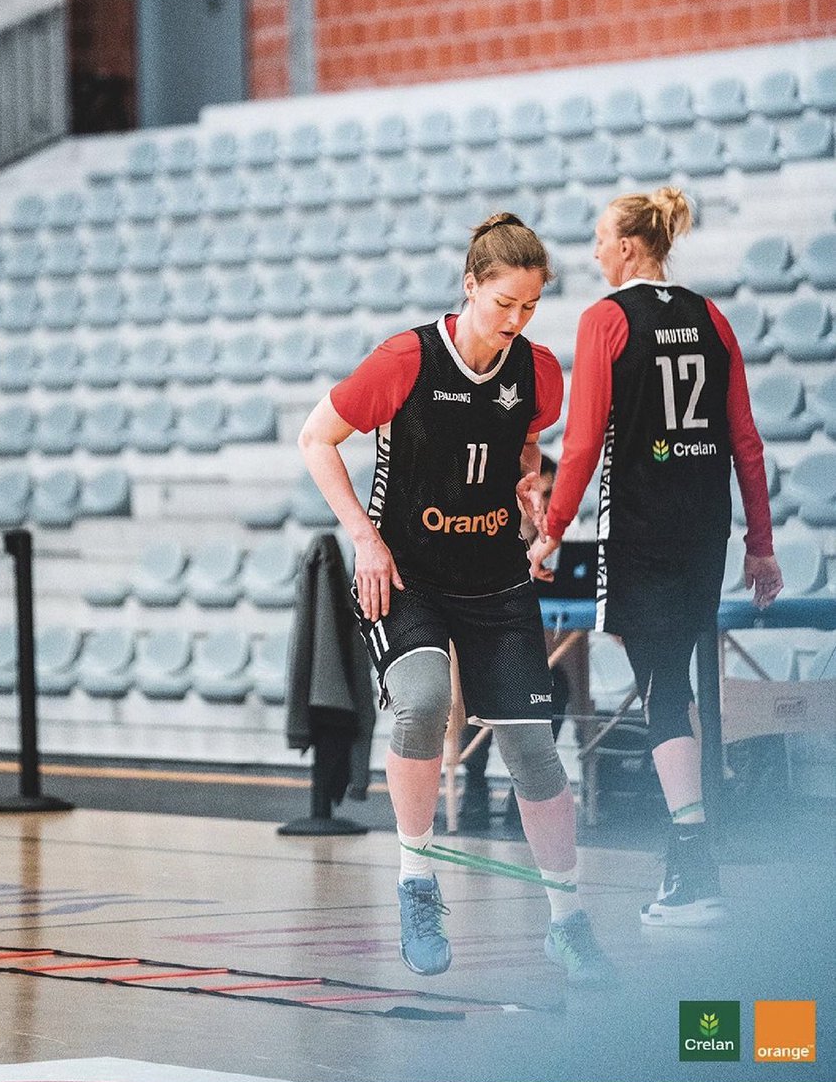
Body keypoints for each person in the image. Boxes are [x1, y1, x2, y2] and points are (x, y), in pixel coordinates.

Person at [298, 213, 615, 987]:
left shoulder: (537, 369)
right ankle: (415, 881)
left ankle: (567, 922)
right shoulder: (404, 359)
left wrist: (528, 482)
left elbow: (525, 438)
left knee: (532, 750)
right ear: (469, 285)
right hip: (404, 573)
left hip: (494, 575)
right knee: (422, 703)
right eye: (503, 302)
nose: (515, 320)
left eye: (530, 307)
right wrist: (365, 542)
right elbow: (315, 437)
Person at [529, 187, 783, 928]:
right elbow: (745, 442)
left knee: (660, 683)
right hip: (703, 526)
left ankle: (693, 861)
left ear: (630, 248)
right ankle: (690, 853)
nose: (596, 252)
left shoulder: (605, 319)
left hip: (638, 527)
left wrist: (549, 529)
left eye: (602, 240)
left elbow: (580, 446)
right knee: (671, 679)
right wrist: (759, 545)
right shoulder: (711, 317)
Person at [457, 454, 571, 832]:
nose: (549, 502)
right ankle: (473, 784)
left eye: (554, 493)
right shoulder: (487, 530)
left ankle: (523, 794)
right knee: (479, 681)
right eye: (544, 492)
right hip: (479, 640)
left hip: (524, 643)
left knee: (560, 683)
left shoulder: (550, 540)